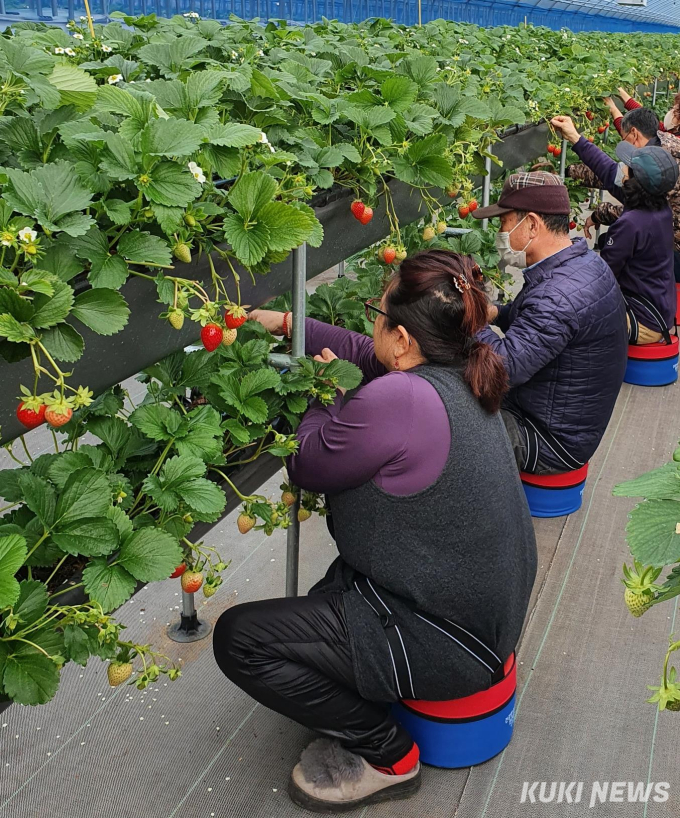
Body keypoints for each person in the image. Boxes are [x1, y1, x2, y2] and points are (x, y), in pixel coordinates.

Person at [212, 251, 538, 812]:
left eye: (377, 312)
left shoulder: (401, 397)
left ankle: (387, 753)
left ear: (406, 339)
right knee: (326, 600)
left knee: (242, 640)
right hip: (487, 616)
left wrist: (321, 391)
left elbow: (308, 463)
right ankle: (378, 684)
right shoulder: (467, 364)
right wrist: (286, 324)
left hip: (448, 640)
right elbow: (369, 353)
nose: (371, 324)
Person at [471, 171, 628, 474]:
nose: (499, 232)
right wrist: (495, 313)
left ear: (531, 224)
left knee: (450, 418)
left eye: (504, 222)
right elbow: (534, 324)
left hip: (550, 441)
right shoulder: (581, 262)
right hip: (569, 421)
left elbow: (503, 369)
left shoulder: (556, 296)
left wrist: (467, 315)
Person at [553, 115, 678, 344]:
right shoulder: (660, 208)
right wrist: (575, 137)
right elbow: (608, 171)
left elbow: (602, 275)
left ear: (633, 181)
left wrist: (564, 257)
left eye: (627, 167)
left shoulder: (631, 224)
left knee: (565, 317)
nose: (621, 168)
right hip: (659, 312)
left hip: (642, 322)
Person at [568, 99, 680, 283]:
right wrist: (570, 172)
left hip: (674, 251)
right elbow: (614, 175)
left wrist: (601, 213)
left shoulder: (662, 166)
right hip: (666, 242)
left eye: (623, 138)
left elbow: (639, 213)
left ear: (634, 133)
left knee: (611, 242)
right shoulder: (662, 146)